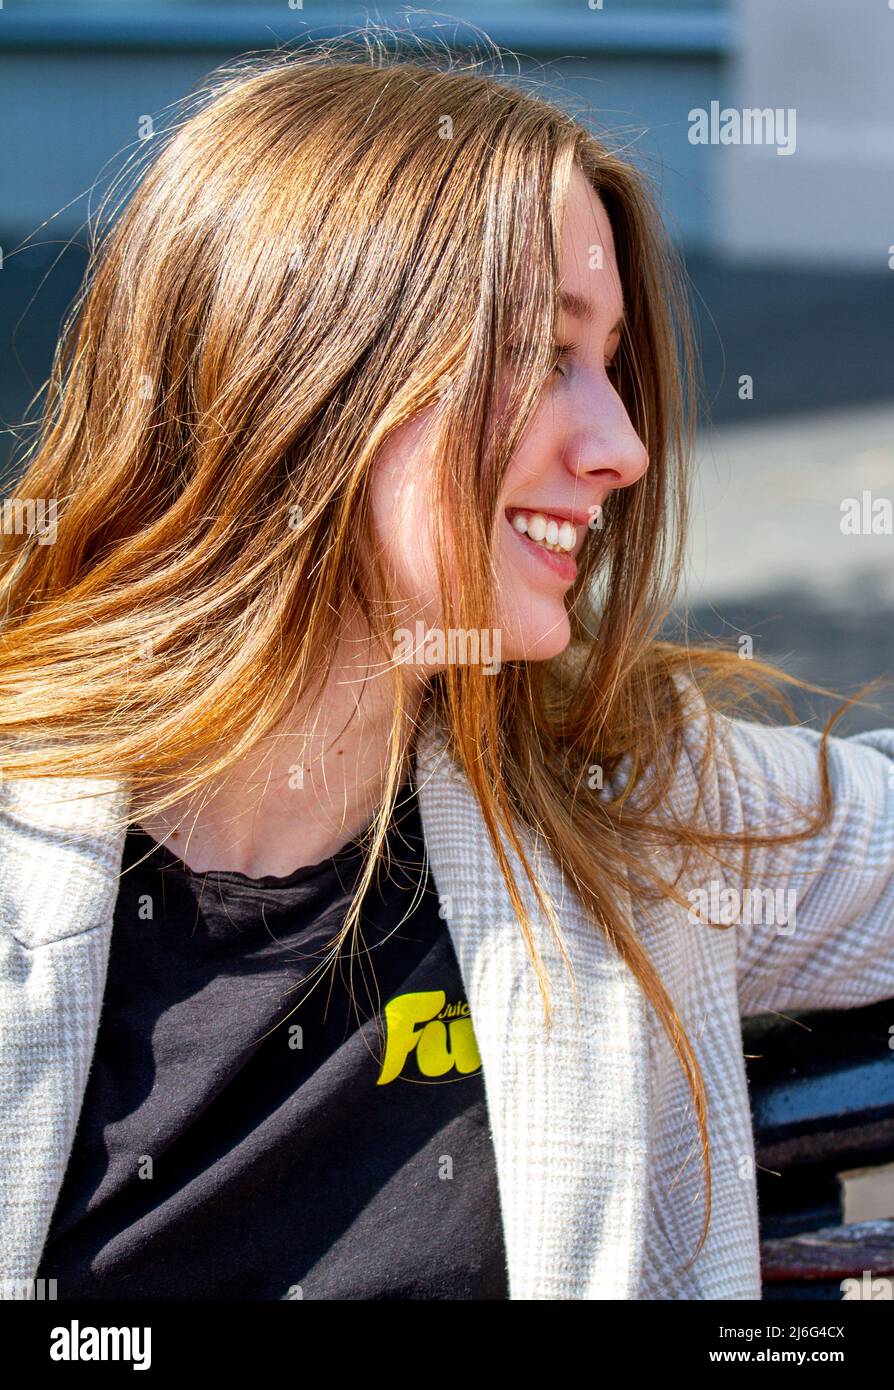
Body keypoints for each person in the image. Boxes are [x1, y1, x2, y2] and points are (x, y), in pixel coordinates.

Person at [1, 40, 892, 1302]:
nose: (625, 446)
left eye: (615, 364)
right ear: (310, 380)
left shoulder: (617, 802)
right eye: (545, 355)